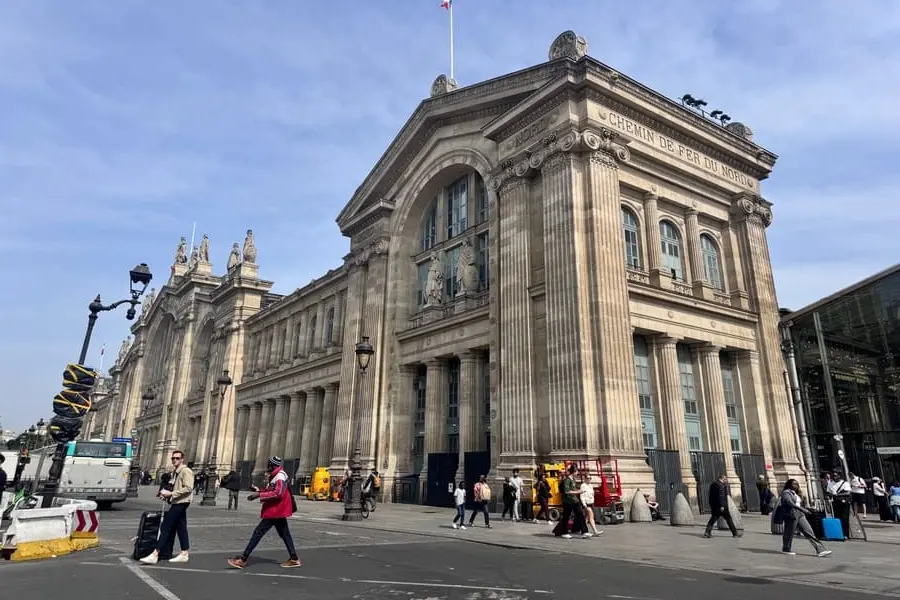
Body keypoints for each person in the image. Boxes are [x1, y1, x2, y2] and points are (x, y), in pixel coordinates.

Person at [228, 457, 301, 569]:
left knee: (258, 532)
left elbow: (278, 493)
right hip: (277, 510)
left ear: (273, 465)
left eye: (269, 464)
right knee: (285, 534)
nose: (268, 466)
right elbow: (272, 490)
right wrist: (258, 491)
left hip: (275, 510)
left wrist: (259, 495)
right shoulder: (276, 475)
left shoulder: (280, 476)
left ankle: (243, 559)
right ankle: (294, 558)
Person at [140, 450, 194, 564]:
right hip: (177, 501)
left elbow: (189, 488)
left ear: (182, 459)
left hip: (181, 502)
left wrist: (171, 494)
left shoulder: (186, 471)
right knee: (181, 527)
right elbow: (175, 487)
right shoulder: (176, 472)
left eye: (177, 458)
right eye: (173, 458)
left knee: (166, 527)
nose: (175, 460)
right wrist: (167, 496)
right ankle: (184, 553)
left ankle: (155, 554)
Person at [780, 478, 831, 557]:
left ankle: (820, 550)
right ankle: (786, 548)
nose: (796, 486)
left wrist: (806, 509)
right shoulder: (786, 493)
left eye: (797, 484)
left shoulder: (796, 493)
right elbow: (789, 502)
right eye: (794, 484)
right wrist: (802, 509)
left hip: (800, 514)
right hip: (791, 514)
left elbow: (799, 503)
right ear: (789, 485)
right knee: (789, 532)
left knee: (809, 531)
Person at [555, 464, 588, 539]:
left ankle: (584, 531)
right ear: (574, 472)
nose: (577, 473)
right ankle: (564, 532)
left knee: (581, 515)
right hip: (568, 501)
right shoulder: (567, 480)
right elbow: (567, 491)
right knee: (566, 517)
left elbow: (573, 489)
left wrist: (579, 491)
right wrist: (578, 492)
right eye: (577, 472)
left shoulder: (573, 480)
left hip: (574, 500)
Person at [703, 474, 740, 538]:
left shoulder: (713, 484)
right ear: (722, 479)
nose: (726, 480)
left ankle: (707, 532)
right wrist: (722, 505)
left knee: (713, 519)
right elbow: (721, 496)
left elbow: (710, 496)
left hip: (714, 505)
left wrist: (711, 504)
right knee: (729, 519)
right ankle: (735, 533)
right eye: (725, 479)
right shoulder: (722, 486)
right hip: (722, 506)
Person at [829, 472, 852, 538]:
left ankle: (846, 534)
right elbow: (829, 492)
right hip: (835, 502)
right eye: (833, 476)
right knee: (837, 518)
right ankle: (839, 533)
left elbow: (848, 493)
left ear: (839, 476)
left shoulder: (845, 483)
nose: (834, 477)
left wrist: (837, 495)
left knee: (845, 518)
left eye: (835, 476)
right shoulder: (830, 484)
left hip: (844, 502)